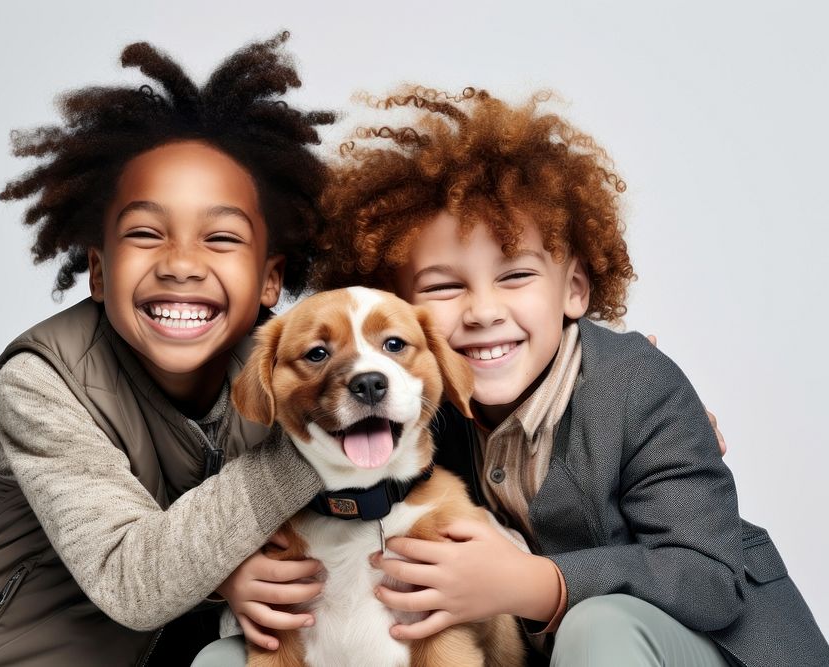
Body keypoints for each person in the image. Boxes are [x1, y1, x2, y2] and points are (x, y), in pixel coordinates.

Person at [305, 87, 829, 666]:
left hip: (713, 649)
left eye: (516, 276)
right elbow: (298, 374)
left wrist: (536, 583)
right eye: (444, 286)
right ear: (395, 307)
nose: (482, 311)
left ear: (574, 290)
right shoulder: (413, 411)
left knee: (598, 625)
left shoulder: (636, 387)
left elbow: (708, 577)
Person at [0, 33, 332, 666]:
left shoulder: (279, 368)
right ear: (99, 271)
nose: (182, 263)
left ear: (270, 280)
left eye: (222, 237)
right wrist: (321, 442)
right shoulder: (43, 382)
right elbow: (133, 578)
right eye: (147, 233)